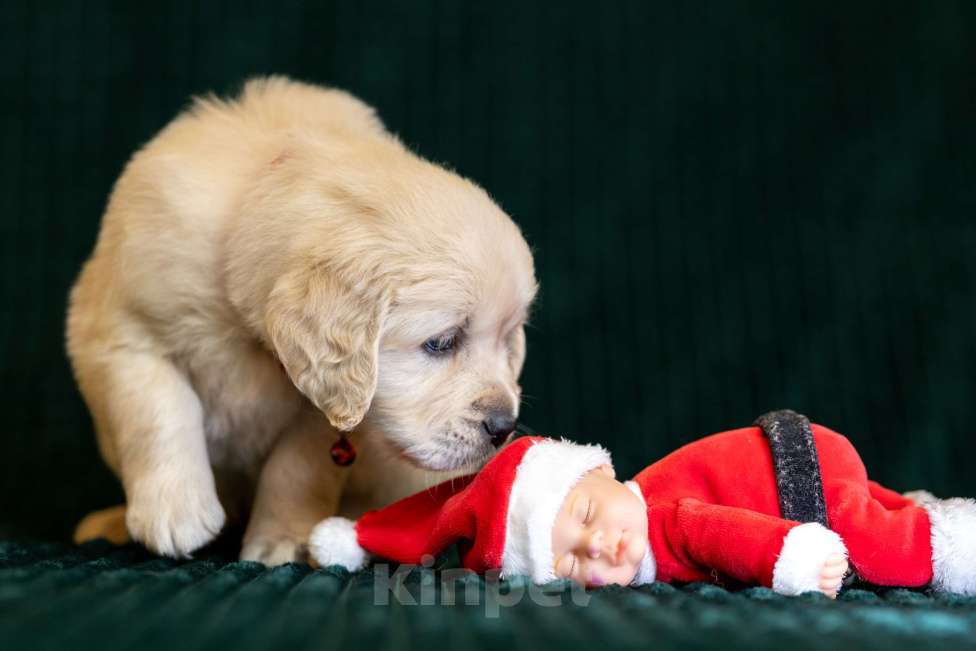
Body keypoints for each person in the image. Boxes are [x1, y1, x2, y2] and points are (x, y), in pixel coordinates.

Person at [308, 412, 976, 597]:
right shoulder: (635, 540)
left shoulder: (663, 515)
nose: (599, 548)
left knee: (882, 548)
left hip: (796, 475)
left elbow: (720, 531)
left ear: (601, 472)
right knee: (868, 507)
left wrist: (789, 558)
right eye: (571, 562)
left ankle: (947, 542)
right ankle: (907, 504)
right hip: (810, 465)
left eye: (588, 519)